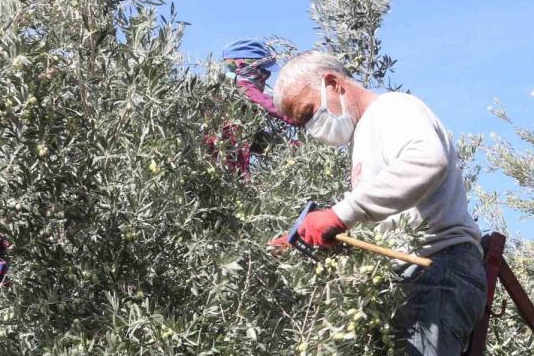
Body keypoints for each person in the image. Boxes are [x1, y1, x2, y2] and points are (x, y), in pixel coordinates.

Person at [269, 51, 486, 355]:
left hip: (437, 267)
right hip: (413, 276)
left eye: (308, 113)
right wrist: (312, 235)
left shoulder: (392, 108)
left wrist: (340, 214)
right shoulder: (363, 139)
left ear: (332, 83)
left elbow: (427, 160)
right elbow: (388, 214)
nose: (310, 128)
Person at [204, 39, 295, 175]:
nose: (266, 76)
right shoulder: (240, 86)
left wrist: (294, 146)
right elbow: (273, 106)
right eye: (263, 70)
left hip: (233, 174)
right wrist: (303, 116)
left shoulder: (239, 101)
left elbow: (256, 139)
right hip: (220, 174)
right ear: (244, 66)